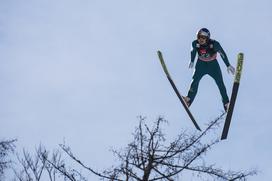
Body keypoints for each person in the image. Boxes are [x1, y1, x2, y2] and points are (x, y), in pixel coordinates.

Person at [183, 28, 235, 111]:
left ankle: (226, 103)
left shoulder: (214, 44)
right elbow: (193, 51)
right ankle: (188, 99)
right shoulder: (195, 43)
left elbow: (222, 53)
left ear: (207, 38)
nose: (201, 40)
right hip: (201, 64)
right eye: (199, 37)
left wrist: (228, 65)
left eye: (203, 38)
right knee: (194, 80)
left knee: (220, 83)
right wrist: (192, 60)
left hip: (213, 65)